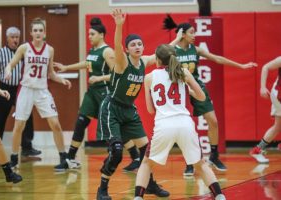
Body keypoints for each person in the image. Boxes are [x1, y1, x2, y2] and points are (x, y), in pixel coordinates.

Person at [163, 14, 257, 176]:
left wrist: (241, 66)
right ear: (183, 34)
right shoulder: (173, 51)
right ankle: (190, 162)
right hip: (179, 89)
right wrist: (177, 39)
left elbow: (217, 58)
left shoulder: (196, 49)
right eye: (192, 32)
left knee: (213, 121)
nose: (195, 35)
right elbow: (162, 53)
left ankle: (214, 155)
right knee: (186, 127)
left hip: (196, 85)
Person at [134, 44, 226, 200]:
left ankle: (137, 198)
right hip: (185, 124)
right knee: (201, 165)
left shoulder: (149, 77)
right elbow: (202, 97)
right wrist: (187, 90)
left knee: (146, 163)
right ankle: (220, 196)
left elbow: (150, 110)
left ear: (157, 59)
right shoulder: (183, 73)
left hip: (163, 125)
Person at [96, 9, 170, 199]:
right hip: (112, 109)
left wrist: (177, 40)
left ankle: (150, 184)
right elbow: (117, 45)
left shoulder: (144, 61)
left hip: (129, 110)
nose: (137, 47)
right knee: (117, 152)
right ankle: (102, 189)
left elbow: (163, 52)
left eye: (139, 44)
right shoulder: (122, 62)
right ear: (127, 49)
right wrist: (119, 25)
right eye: (133, 45)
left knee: (147, 149)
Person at [53, 17, 141, 172]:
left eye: (92, 34)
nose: (89, 37)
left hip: (105, 92)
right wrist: (66, 67)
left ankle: (135, 157)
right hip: (92, 92)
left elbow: (118, 74)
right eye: (88, 34)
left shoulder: (107, 51)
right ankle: (70, 158)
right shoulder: (93, 51)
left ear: (101, 35)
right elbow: (87, 64)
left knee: (114, 127)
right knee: (81, 122)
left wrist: (100, 77)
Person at [4, 18, 71, 169]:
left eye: (41, 30)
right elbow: (11, 64)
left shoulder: (50, 50)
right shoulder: (24, 48)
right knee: (19, 125)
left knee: (55, 124)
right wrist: (8, 71)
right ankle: (14, 157)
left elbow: (51, 74)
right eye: (35, 30)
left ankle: (63, 158)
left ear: (45, 32)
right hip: (26, 90)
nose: (38, 33)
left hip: (42, 91)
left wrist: (62, 80)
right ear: (31, 33)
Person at [0, 26, 41, 159]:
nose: (15, 39)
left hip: (20, 88)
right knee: (0, 119)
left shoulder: (24, 51)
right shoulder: (1, 53)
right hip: (5, 88)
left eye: (17, 37)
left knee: (27, 117)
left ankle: (27, 147)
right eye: (12, 37)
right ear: (7, 39)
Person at [250, 56, 281, 163]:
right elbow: (265, 67)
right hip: (279, 95)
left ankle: (257, 150)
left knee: (278, 126)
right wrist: (262, 87)